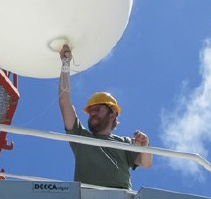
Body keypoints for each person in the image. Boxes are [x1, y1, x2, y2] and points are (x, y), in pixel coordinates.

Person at [58, 44, 152, 189]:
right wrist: (65, 64)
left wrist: (145, 145)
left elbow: (145, 163)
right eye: (90, 111)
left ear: (112, 114)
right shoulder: (80, 137)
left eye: (97, 109)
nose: (92, 113)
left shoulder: (125, 142)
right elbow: (64, 101)